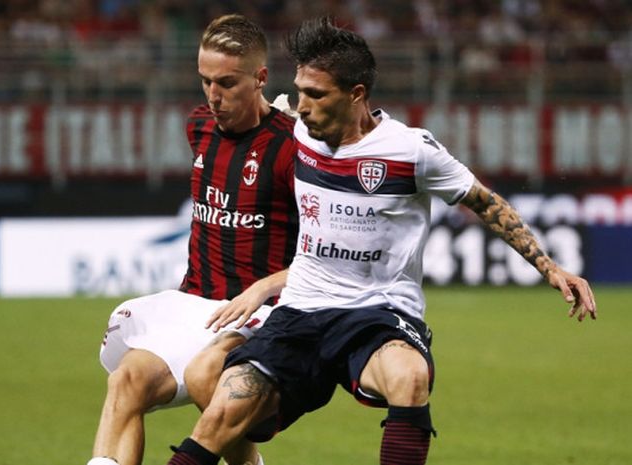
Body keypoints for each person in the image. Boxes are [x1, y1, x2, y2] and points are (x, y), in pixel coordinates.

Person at [165, 17, 598, 465]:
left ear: (356, 95)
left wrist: (551, 268)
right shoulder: (298, 131)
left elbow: (486, 204)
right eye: (298, 91)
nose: (302, 105)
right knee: (221, 412)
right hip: (301, 313)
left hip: (377, 314)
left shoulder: (412, 151)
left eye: (316, 95)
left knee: (409, 377)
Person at [87, 14, 298, 465]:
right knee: (124, 383)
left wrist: (266, 287)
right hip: (194, 305)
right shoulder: (199, 126)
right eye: (205, 82)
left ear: (261, 77)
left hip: (260, 314)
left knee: (212, 383)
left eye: (227, 83)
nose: (214, 96)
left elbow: (324, 251)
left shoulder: (293, 149)